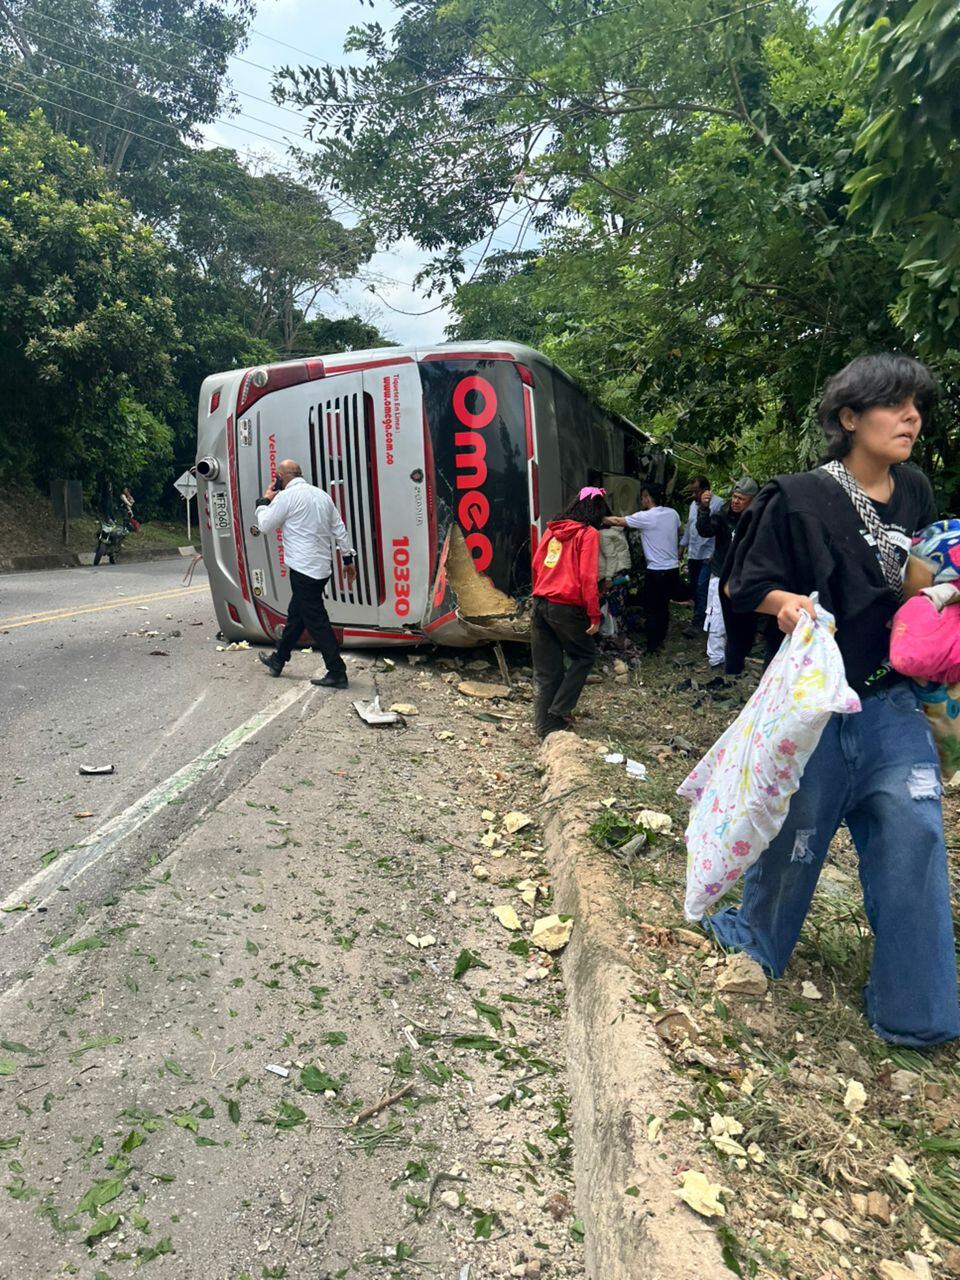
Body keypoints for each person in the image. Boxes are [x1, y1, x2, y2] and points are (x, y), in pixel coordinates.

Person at [704, 352, 959, 1046]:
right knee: (795, 840)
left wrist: (939, 601)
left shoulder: (917, 494)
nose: (911, 418)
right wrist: (789, 607)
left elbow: (912, 586)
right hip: (814, 704)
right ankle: (756, 944)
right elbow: (743, 585)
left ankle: (918, 1018)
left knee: (917, 837)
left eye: (917, 408)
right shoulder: (797, 497)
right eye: (894, 405)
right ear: (850, 418)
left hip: (891, 703)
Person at [255, 459, 356, 689]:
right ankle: (278, 660)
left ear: (282, 478)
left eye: (277, 477)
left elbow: (264, 525)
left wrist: (263, 501)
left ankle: (337, 671)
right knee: (297, 615)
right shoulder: (321, 495)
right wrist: (348, 558)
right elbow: (339, 528)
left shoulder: (286, 498)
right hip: (321, 569)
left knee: (316, 621)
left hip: (303, 570)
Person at [530, 486, 608, 738]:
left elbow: (536, 564)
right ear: (596, 510)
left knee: (547, 672)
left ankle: (545, 728)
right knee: (585, 656)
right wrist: (594, 615)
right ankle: (559, 711)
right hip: (566, 606)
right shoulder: (588, 534)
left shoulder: (553, 530)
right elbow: (587, 576)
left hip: (541, 602)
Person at [605, 483, 681, 655]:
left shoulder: (646, 517)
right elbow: (679, 531)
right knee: (663, 606)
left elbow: (617, 521)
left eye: (642, 497)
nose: (642, 501)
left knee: (652, 609)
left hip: (656, 571)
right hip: (673, 569)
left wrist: (598, 518)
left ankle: (652, 646)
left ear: (647, 497)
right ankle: (660, 639)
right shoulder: (673, 514)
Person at [696, 477, 759, 667]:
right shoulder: (723, 514)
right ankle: (715, 658)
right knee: (717, 616)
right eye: (734, 496)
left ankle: (735, 656)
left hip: (744, 576)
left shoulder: (757, 519)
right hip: (721, 572)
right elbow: (705, 530)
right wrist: (704, 508)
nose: (735, 501)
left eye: (741, 499)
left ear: (752, 501)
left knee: (741, 618)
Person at [681, 476, 724, 634]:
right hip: (694, 553)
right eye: (692, 492)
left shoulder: (718, 504)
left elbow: (721, 530)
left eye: (696, 492)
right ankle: (700, 617)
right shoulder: (694, 504)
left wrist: (716, 552)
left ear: (706, 490)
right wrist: (682, 548)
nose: (694, 495)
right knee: (694, 587)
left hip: (709, 554)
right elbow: (689, 527)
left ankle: (699, 623)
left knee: (702, 587)